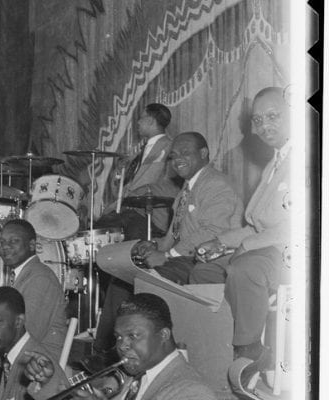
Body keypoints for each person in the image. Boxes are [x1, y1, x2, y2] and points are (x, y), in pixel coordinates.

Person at [89, 132, 243, 368]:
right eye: (173, 156)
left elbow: (214, 232)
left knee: (147, 280)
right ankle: (106, 351)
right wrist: (155, 246)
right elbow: (174, 235)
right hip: (187, 257)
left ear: (204, 154)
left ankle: (145, 356)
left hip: (210, 261)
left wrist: (168, 256)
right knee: (121, 279)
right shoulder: (187, 189)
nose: (177, 159)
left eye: (185, 153)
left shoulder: (215, 184)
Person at [189, 87, 291, 395]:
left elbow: (301, 225)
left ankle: (249, 351)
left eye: (272, 117)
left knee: (244, 270)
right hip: (268, 249)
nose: (263, 126)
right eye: (258, 120)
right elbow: (255, 225)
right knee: (201, 271)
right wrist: (220, 243)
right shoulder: (274, 163)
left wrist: (246, 246)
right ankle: (212, 350)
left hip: (294, 254)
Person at [49, 293, 214, 400]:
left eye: (132, 336)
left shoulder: (193, 392)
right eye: (118, 337)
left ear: (163, 335)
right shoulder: (130, 377)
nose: (121, 345)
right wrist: (46, 380)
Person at [95, 103, 180, 240]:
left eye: (141, 118)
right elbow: (119, 192)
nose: (138, 122)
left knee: (108, 228)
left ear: (151, 121)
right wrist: (119, 172)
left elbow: (167, 186)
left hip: (151, 215)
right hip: (126, 211)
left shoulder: (171, 148)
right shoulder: (136, 155)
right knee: (97, 229)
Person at [0, 219, 68, 360]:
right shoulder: (25, 274)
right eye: (2, 242)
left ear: (32, 245)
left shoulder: (40, 279)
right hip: (22, 361)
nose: (5, 247)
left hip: (40, 368)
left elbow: (25, 336)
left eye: (13, 241)